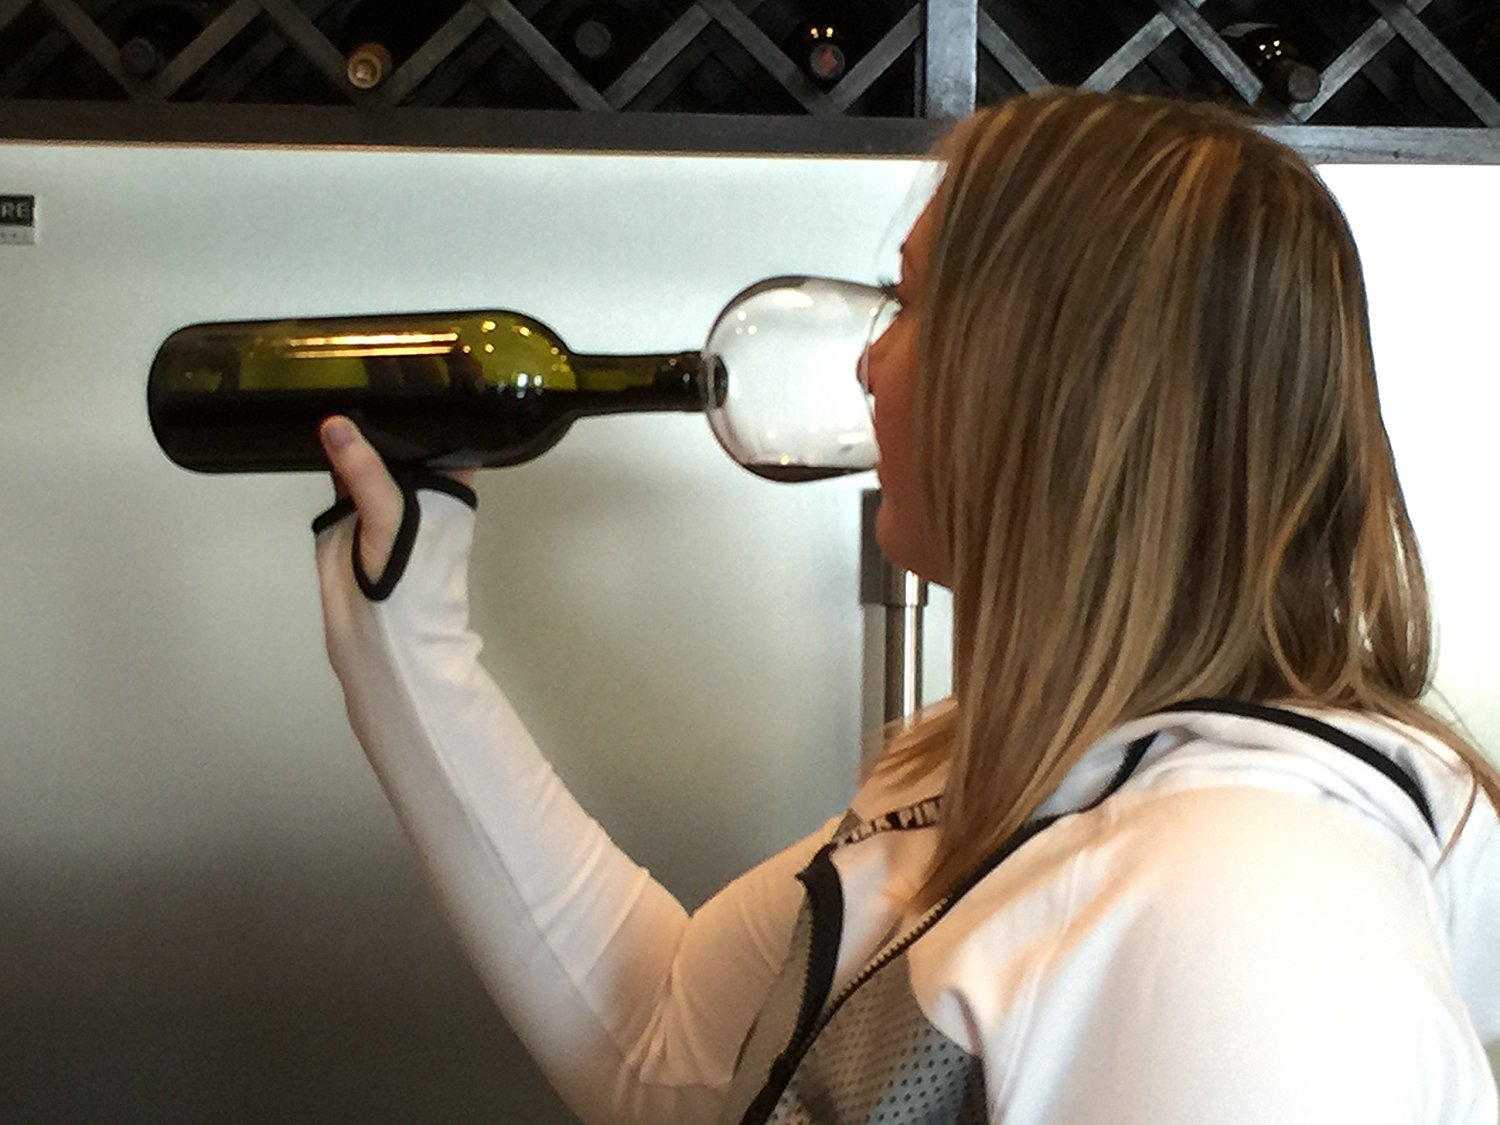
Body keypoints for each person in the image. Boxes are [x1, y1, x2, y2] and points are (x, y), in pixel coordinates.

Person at [311, 88, 1500, 1123]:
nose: (870, 361)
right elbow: (664, 1048)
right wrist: (403, 627)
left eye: (913, 303)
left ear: (1061, 391)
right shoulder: (1012, 775)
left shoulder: (1247, 913)